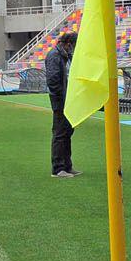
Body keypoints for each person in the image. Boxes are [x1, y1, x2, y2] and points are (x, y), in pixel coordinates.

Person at [43, 31, 81, 178]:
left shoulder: (65, 56)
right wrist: (61, 101)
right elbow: (53, 81)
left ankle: (67, 165)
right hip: (61, 102)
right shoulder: (54, 56)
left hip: (68, 101)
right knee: (60, 134)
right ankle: (58, 169)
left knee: (67, 133)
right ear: (68, 44)